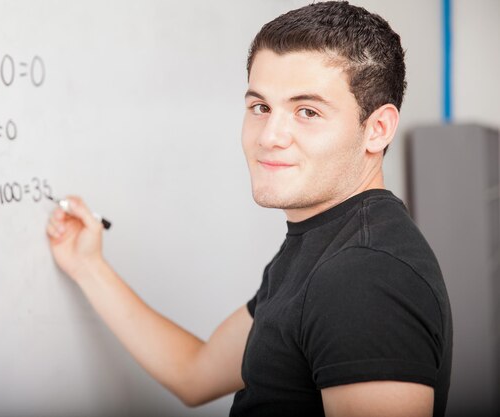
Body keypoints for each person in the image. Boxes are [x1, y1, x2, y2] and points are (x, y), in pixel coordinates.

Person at [46, 1, 453, 416]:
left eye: (307, 111)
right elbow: (195, 373)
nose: (270, 136)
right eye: (260, 107)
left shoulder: (364, 276)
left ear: (377, 129)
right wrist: (88, 266)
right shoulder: (323, 246)